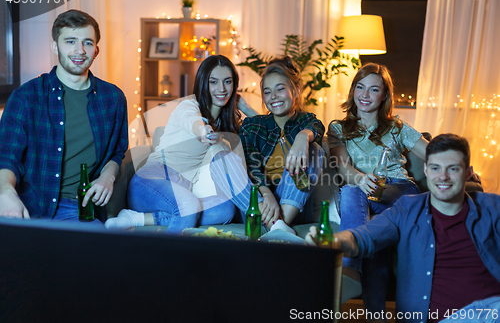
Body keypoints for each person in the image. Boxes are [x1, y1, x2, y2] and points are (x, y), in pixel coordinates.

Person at [306, 134, 500, 323]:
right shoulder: (407, 209)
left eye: (453, 169)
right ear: (425, 170)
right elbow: (363, 236)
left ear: (468, 172)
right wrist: (335, 241)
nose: (443, 177)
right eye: (435, 168)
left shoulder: (493, 208)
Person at [0, 10, 128, 222]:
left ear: (96, 50)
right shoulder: (25, 97)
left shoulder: (113, 98)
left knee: (100, 253)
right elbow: (6, 155)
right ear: (55, 46)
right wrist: (6, 192)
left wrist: (108, 177)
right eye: (70, 41)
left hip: (77, 207)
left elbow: (117, 150)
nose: (80, 50)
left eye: (87, 42)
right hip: (27, 204)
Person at [105, 55, 254, 233]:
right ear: (202, 83)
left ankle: (136, 218)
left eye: (227, 81)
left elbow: (263, 127)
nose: (221, 88)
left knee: (224, 210)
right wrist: (202, 130)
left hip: (181, 193)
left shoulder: (225, 124)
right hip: (151, 181)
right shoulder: (189, 106)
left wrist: (244, 106)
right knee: (188, 205)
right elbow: (191, 121)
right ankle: (171, 260)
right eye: (213, 81)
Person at [326, 63, 428, 311]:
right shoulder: (338, 128)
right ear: (352, 91)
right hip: (364, 191)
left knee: (353, 195)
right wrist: (361, 178)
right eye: (360, 87)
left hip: (398, 190)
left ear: (384, 95)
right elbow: (341, 166)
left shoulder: (397, 127)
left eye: (373, 90)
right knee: (374, 232)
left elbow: (431, 152)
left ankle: (349, 270)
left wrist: (453, 161)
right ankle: (376, 316)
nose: (364, 95)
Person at [239, 56, 325, 232]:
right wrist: (267, 194)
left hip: (295, 207)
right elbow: (250, 166)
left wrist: (303, 137)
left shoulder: (306, 121)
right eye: (267, 91)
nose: (273, 97)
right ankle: (279, 227)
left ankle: (278, 224)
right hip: (262, 205)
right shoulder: (252, 126)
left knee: (315, 150)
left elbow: (317, 127)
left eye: (280, 89)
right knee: (227, 158)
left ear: (296, 90)